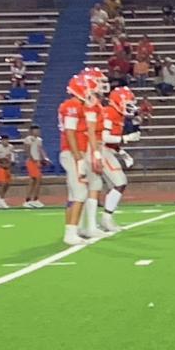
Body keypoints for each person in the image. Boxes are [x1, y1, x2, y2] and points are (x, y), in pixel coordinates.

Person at [58, 70, 108, 245]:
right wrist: (79, 158)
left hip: (78, 151)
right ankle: (70, 232)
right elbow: (70, 134)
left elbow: (90, 132)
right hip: (72, 152)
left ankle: (75, 229)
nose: (92, 94)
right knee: (79, 192)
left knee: (76, 193)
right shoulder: (71, 105)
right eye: (90, 91)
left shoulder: (79, 105)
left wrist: (93, 153)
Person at [98, 87, 141, 232]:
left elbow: (111, 141)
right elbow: (103, 138)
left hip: (107, 150)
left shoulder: (117, 114)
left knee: (114, 187)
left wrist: (122, 152)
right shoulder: (109, 112)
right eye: (127, 102)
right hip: (101, 151)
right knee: (120, 183)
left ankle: (104, 219)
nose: (130, 106)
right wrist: (126, 138)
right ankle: (106, 219)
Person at [22, 125, 45, 208]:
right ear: (31, 131)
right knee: (37, 179)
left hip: (37, 161)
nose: (37, 132)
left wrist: (44, 158)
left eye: (38, 130)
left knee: (34, 180)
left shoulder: (39, 140)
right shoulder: (28, 139)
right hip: (32, 162)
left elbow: (40, 150)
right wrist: (33, 160)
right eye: (35, 130)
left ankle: (32, 199)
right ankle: (31, 199)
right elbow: (27, 150)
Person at [0, 135, 15, 209]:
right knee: (3, 183)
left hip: (7, 167)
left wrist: (9, 164)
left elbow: (11, 157)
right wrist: (2, 165)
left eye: (7, 140)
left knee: (8, 184)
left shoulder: (11, 147)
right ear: (1, 141)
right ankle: (1, 199)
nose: (6, 141)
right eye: (4, 140)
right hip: (0, 167)